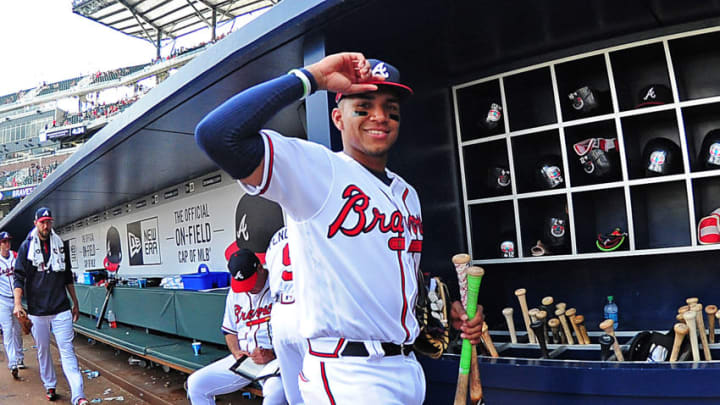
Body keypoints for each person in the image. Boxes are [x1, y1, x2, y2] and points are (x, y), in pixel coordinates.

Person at [195, 52, 483, 404]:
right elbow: (217, 135)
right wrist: (311, 78)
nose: (380, 116)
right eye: (363, 107)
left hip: (406, 368)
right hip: (348, 372)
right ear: (338, 118)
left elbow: (399, 278)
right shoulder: (317, 170)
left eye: (390, 108)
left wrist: (445, 313)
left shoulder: (407, 193)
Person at [186, 248, 285, 405]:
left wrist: (274, 353)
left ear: (260, 267)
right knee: (196, 383)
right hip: (245, 360)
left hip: (276, 360)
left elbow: (296, 333)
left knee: (276, 391)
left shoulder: (280, 285)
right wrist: (236, 352)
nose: (248, 288)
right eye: (243, 284)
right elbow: (229, 330)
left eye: (250, 283)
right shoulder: (235, 291)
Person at [13, 207, 88, 405]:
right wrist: (18, 303)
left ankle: (78, 395)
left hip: (60, 307)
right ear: (36, 223)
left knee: (67, 350)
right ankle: (50, 384)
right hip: (38, 310)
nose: (46, 226)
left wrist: (75, 302)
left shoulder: (59, 244)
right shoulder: (26, 246)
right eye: (42, 222)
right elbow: (19, 277)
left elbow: (67, 275)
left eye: (49, 222)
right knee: (43, 350)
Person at [265, 227, 305, 404]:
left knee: (293, 392)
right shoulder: (310, 224)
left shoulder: (275, 238)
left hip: (280, 313)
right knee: (317, 384)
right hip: (304, 309)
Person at [0, 231, 24, 378]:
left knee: (18, 330)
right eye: (4, 241)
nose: (7, 244)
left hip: (16, 299)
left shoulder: (16, 257)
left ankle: (20, 357)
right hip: (2, 299)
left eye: (8, 241)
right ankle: (13, 362)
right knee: (7, 330)